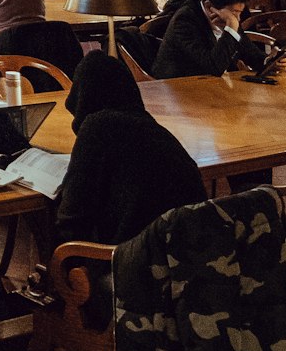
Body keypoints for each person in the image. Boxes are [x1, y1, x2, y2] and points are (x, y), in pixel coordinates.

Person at [54, 52, 205, 248]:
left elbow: (72, 220)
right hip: (192, 253)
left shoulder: (97, 127)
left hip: (141, 264)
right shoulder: (150, 127)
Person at [150, 0, 269, 80]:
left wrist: (269, 61)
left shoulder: (228, 18)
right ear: (209, 7)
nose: (237, 19)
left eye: (239, 13)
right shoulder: (185, 21)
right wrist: (231, 27)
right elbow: (213, 67)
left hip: (213, 85)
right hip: (178, 88)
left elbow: (249, 53)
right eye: (234, 13)